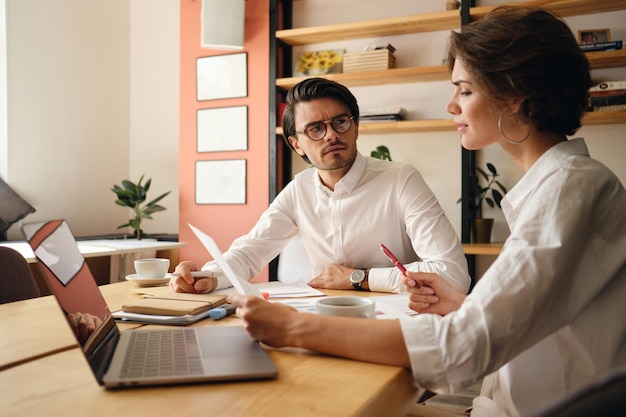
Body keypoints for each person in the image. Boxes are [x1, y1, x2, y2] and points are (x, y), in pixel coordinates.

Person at [228, 6, 626, 417]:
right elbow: (531, 317)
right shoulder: (555, 187)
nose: (452, 106)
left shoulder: (571, 188)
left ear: (514, 97)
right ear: (297, 143)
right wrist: (463, 305)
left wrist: (294, 326)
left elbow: (463, 348)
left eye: (465, 90)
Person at [170, 77, 470, 296]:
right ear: (296, 144)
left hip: (400, 318)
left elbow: (453, 275)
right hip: (326, 318)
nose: (330, 135)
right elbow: (250, 252)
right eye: (315, 128)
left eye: (340, 121)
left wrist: (359, 278)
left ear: (355, 127)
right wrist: (205, 276)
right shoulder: (298, 191)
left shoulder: (401, 180)